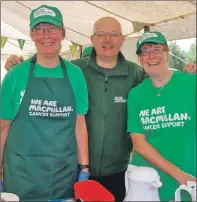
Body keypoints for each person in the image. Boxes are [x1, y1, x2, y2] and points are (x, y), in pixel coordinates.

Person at [3, 17, 196, 201]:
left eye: (114, 34)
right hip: (76, 170)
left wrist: (185, 77)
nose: (107, 40)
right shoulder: (74, 70)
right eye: (101, 34)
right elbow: (47, 73)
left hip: (118, 170)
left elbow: (159, 84)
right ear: (92, 39)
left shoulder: (135, 73)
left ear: (122, 39)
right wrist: (17, 65)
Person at [0, 5, 90, 200]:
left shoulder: (76, 75)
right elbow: (2, 127)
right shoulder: (15, 75)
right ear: (32, 34)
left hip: (62, 173)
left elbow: (79, 123)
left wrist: (84, 168)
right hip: (21, 174)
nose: (46, 35)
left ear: (63, 33)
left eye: (52, 28)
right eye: (39, 29)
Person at [127, 31, 196, 201]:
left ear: (167, 53)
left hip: (189, 177)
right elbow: (139, 144)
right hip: (148, 182)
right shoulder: (135, 94)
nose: (151, 56)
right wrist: (178, 174)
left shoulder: (191, 83)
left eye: (157, 49)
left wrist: (183, 176)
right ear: (140, 59)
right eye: (145, 51)